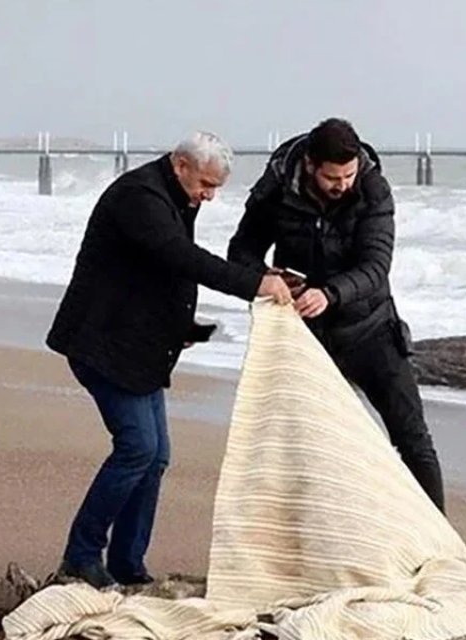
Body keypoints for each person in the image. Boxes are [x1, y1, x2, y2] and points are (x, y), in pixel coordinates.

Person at [45, 131, 294, 588]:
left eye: (216, 187)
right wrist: (254, 283)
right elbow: (181, 258)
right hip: (103, 343)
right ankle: (81, 555)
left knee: (156, 456)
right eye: (205, 184)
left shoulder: (178, 196)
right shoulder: (139, 197)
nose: (209, 196)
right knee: (138, 448)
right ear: (180, 164)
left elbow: (158, 275)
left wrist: (185, 328)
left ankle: (127, 562)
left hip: (140, 346)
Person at [226, 118, 446, 513]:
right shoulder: (276, 187)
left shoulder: (373, 190)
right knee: (308, 445)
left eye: (349, 174)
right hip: (303, 336)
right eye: (332, 177)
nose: (342, 184)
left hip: (371, 327)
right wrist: (265, 276)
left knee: (412, 437)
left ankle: (441, 542)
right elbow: (241, 250)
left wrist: (330, 294)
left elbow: (377, 266)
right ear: (310, 165)